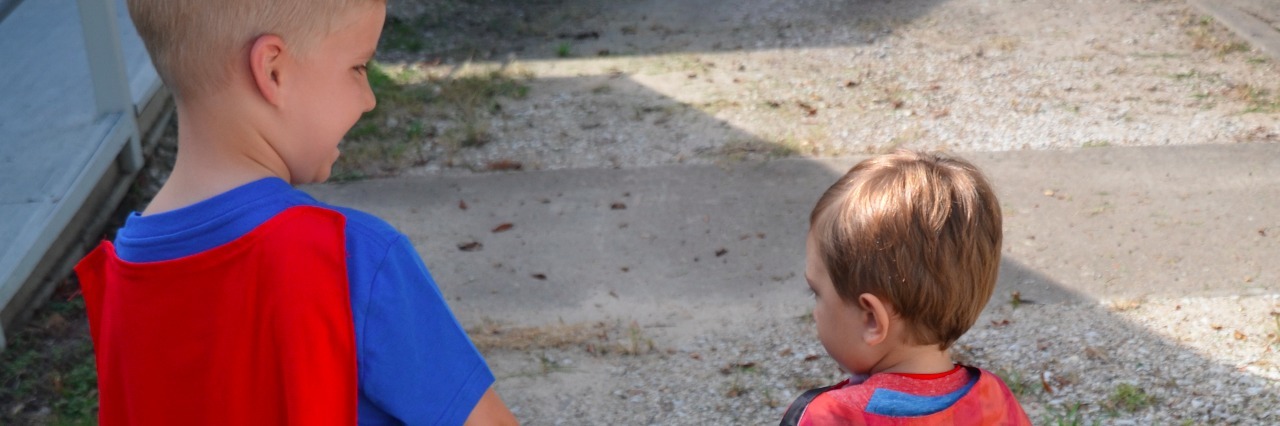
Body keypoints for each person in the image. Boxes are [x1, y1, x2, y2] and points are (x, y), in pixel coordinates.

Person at [72, 0, 517, 424]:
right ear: (273, 70)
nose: (369, 99)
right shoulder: (350, 258)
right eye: (358, 68)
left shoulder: (125, 277)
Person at [780, 150, 1031, 425]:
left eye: (816, 293)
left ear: (872, 319)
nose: (815, 313)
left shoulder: (832, 417)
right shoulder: (995, 399)